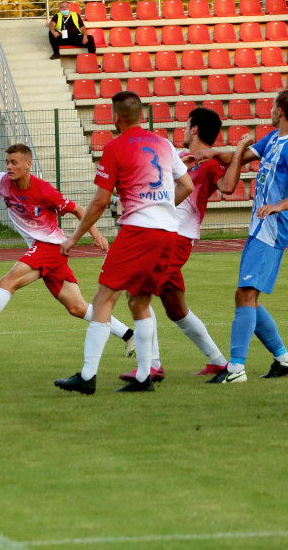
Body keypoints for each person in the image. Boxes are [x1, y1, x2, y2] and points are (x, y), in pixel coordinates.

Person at [0, 143, 135, 349]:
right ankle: (129, 335)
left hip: (49, 246)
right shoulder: (1, 181)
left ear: (28, 164)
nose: (9, 167)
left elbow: (78, 209)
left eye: (14, 162)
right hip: (49, 251)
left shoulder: (44, 191)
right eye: (7, 162)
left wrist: (96, 235)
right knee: (77, 307)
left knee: (8, 281)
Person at [54, 91, 193, 394]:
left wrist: (74, 237)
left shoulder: (115, 147)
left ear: (116, 117)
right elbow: (187, 184)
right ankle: (144, 377)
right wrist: (164, 208)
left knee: (104, 298)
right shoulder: (163, 144)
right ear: (141, 115)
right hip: (169, 232)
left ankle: (88, 377)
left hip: (139, 231)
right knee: (139, 301)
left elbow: (101, 201)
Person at [193, 90, 288, 384]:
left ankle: (235, 368)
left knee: (247, 294)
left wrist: (277, 206)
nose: (270, 111)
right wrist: (211, 153)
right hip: (261, 227)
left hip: (272, 227)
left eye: (272, 106)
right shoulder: (274, 138)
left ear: (281, 110)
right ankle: (283, 360)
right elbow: (242, 157)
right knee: (247, 296)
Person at [119, 107, 236, 383]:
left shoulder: (210, 164)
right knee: (175, 308)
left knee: (136, 293)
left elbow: (228, 186)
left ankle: (152, 366)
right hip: (164, 236)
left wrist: (239, 149)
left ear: (195, 129)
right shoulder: (180, 157)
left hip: (176, 238)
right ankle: (219, 362)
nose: (183, 130)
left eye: (186, 125)